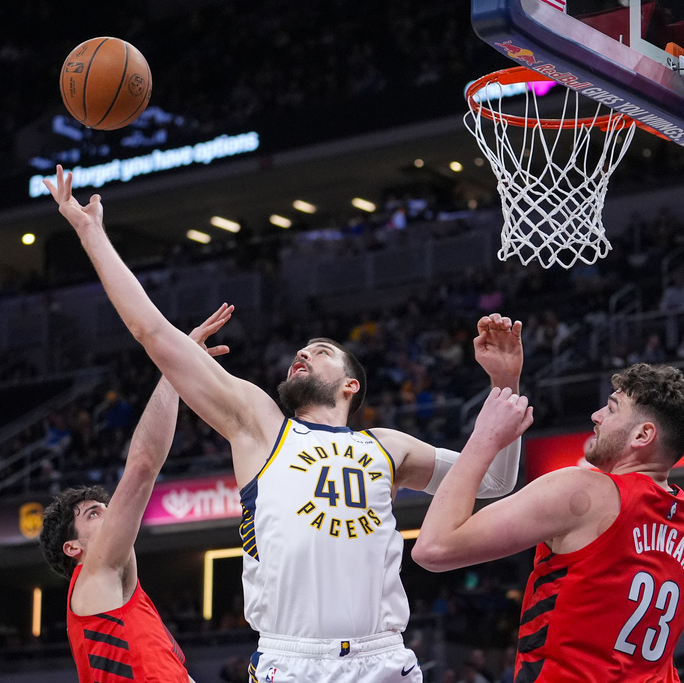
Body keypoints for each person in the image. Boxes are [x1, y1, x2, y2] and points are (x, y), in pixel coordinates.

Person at [44, 165, 526, 682]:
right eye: (301, 350)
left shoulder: (389, 447)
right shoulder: (260, 425)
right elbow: (152, 332)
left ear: (350, 384)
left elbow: (496, 480)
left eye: (321, 351)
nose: (303, 353)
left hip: (383, 657)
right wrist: (90, 233)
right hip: (292, 660)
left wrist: (505, 380)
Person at [414, 363, 684, 682]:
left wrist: (484, 436)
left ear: (643, 435)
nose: (596, 416)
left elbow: (434, 548)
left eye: (612, 409)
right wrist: (505, 380)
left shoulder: (585, 491)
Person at [38, 306, 232, 683]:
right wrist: (177, 365)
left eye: (105, 507)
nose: (111, 513)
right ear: (73, 548)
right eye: (94, 514)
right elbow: (143, 465)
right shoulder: (92, 575)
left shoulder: (128, 602)